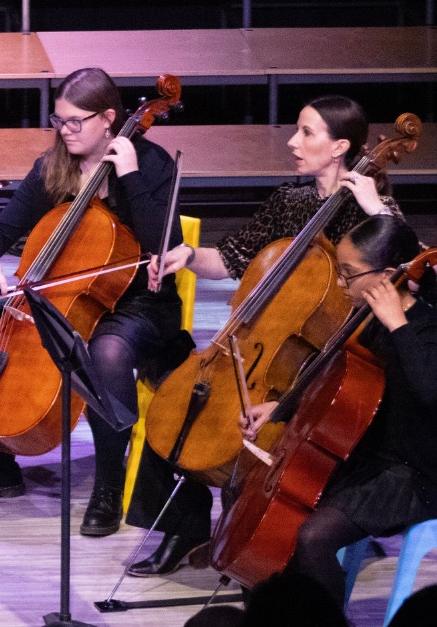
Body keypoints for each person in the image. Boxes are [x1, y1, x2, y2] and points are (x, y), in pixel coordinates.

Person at [133, 94, 400, 575]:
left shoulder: (370, 211)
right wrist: (188, 256)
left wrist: (377, 209)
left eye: (306, 133)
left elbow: (407, 270)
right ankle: (184, 528)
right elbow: (231, 258)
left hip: (322, 366)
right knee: (173, 411)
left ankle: (256, 546)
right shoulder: (289, 202)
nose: (293, 142)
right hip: (255, 347)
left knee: (248, 446)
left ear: (340, 147)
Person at [0, 67, 186, 538]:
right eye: (58, 120)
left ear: (108, 119)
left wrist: (129, 176)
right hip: (54, 295)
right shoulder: (53, 165)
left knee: (106, 353)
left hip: (136, 301)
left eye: (75, 121)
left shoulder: (151, 164)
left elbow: (166, 245)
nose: (65, 131)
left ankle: (108, 484)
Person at [240, 215, 435, 605]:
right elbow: (341, 392)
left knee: (313, 537)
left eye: (348, 274)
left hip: (415, 473)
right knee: (259, 506)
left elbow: (430, 393)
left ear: (387, 275)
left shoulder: (426, 327)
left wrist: (398, 324)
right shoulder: (364, 322)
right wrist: (282, 407)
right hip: (366, 458)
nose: (342, 284)